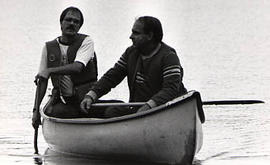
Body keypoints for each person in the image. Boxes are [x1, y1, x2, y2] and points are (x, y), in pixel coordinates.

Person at [80, 16, 187, 117]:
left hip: (166, 109)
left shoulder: (169, 56)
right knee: (110, 111)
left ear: (150, 36)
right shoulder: (131, 53)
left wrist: (149, 106)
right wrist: (91, 95)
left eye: (136, 33)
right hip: (138, 107)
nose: (131, 37)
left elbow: (170, 89)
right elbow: (112, 77)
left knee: (113, 112)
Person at [32, 7, 98, 129]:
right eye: (68, 20)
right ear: (61, 23)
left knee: (117, 107)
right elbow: (42, 80)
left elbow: (77, 67)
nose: (72, 23)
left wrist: (50, 71)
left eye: (76, 22)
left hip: (86, 99)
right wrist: (35, 111)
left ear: (79, 27)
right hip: (63, 101)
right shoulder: (49, 47)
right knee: (56, 112)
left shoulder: (87, 42)